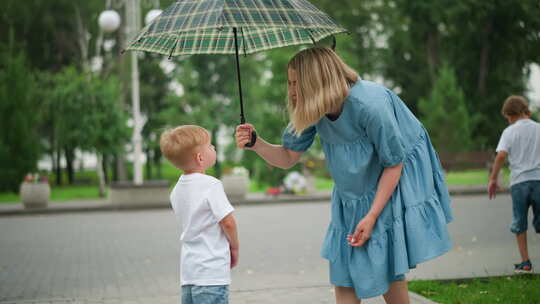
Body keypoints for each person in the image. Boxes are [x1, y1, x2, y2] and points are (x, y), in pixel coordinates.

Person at [236, 47, 453, 303]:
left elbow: (395, 164)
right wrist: (256, 143)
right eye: (290, 82)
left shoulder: (370, 105)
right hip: (349, 195)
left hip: (386, 184)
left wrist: (372, 215)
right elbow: (287, 157)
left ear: (315, 81)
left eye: (297, 83)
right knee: (344, 274)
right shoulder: (314, 109)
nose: (292, 90)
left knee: (386, 267)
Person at [160, 125, 239, 304]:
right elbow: (228, 223)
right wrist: (234, 247)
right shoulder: (211, 185)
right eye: (210, 146)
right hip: (212, 274)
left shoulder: (176, 190)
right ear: (200, 157)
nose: (214, 148)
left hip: (188, 274)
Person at [488, 95, 540, 274]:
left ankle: (525, 262)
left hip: (519, 182)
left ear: (509, 115)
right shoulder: (538, 128)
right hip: (539, 179)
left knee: (520, 222)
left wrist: (493, 179)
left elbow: (501, 155)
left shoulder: (509, 132)